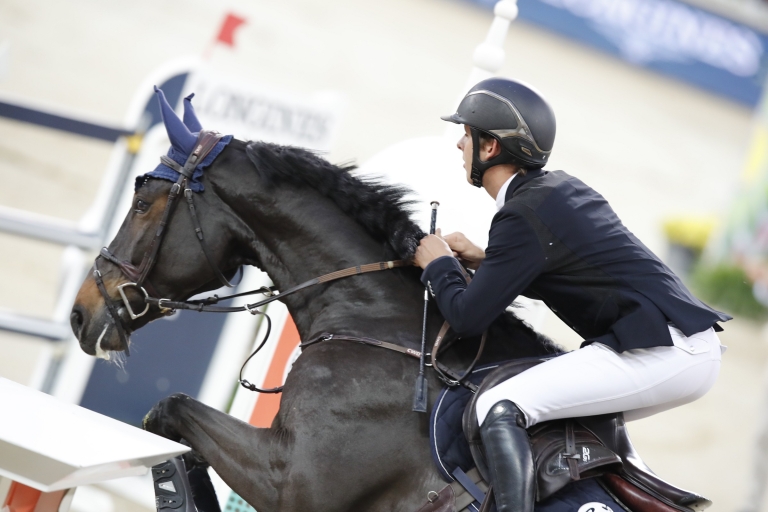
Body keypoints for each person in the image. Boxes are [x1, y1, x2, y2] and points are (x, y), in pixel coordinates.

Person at [413, 77, 730, 512]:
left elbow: (467, 318)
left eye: (467, 135)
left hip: (667, 351)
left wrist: (438, 265)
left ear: (491, 147)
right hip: (686, 346)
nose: (459, 145)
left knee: (499, 404)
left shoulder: (522, 214)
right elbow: (565, 267)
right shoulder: (556, 190)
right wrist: (486, 260)